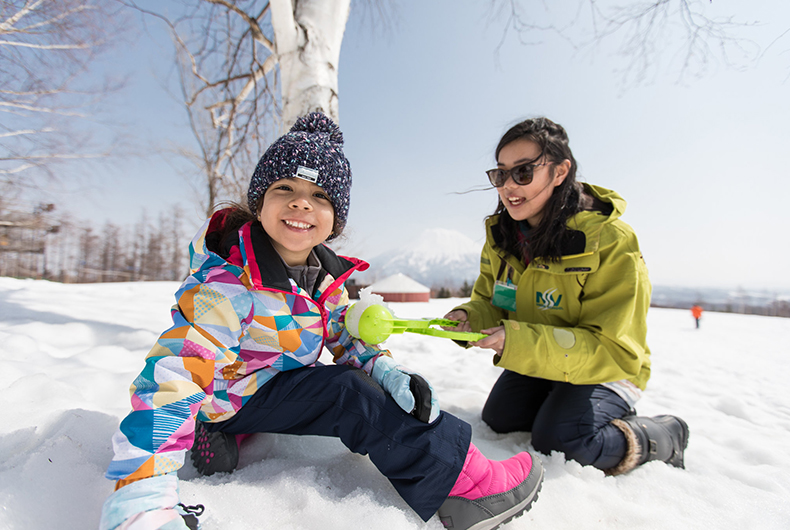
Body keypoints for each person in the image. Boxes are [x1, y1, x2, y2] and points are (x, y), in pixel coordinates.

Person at [98, 113, 543, 530]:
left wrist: (381, 367)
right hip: (229, 392)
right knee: (350, 396)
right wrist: (143, 487)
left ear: (336, 219)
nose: (301, 205)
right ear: (260, 202)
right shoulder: (230, 282)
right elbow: (174, 374)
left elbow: (340, 334)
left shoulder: (323, 275)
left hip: (262, 383)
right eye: (284, 189)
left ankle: (221, 431)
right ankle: (469, 487)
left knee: (360, 381)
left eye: (320, 196)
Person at [444, 117, 689, 476]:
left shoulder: (610, 240)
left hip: (609, 368)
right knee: (500, 419)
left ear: (560, 172)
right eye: (501, 174)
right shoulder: (502, 239)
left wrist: (520, 342)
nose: (509, 186)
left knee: (563, 440)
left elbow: (612, 346)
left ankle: (666, 435)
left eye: (524, 172)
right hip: (546, 361)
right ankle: (560, 404)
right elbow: (492, 303)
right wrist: (470, 318)